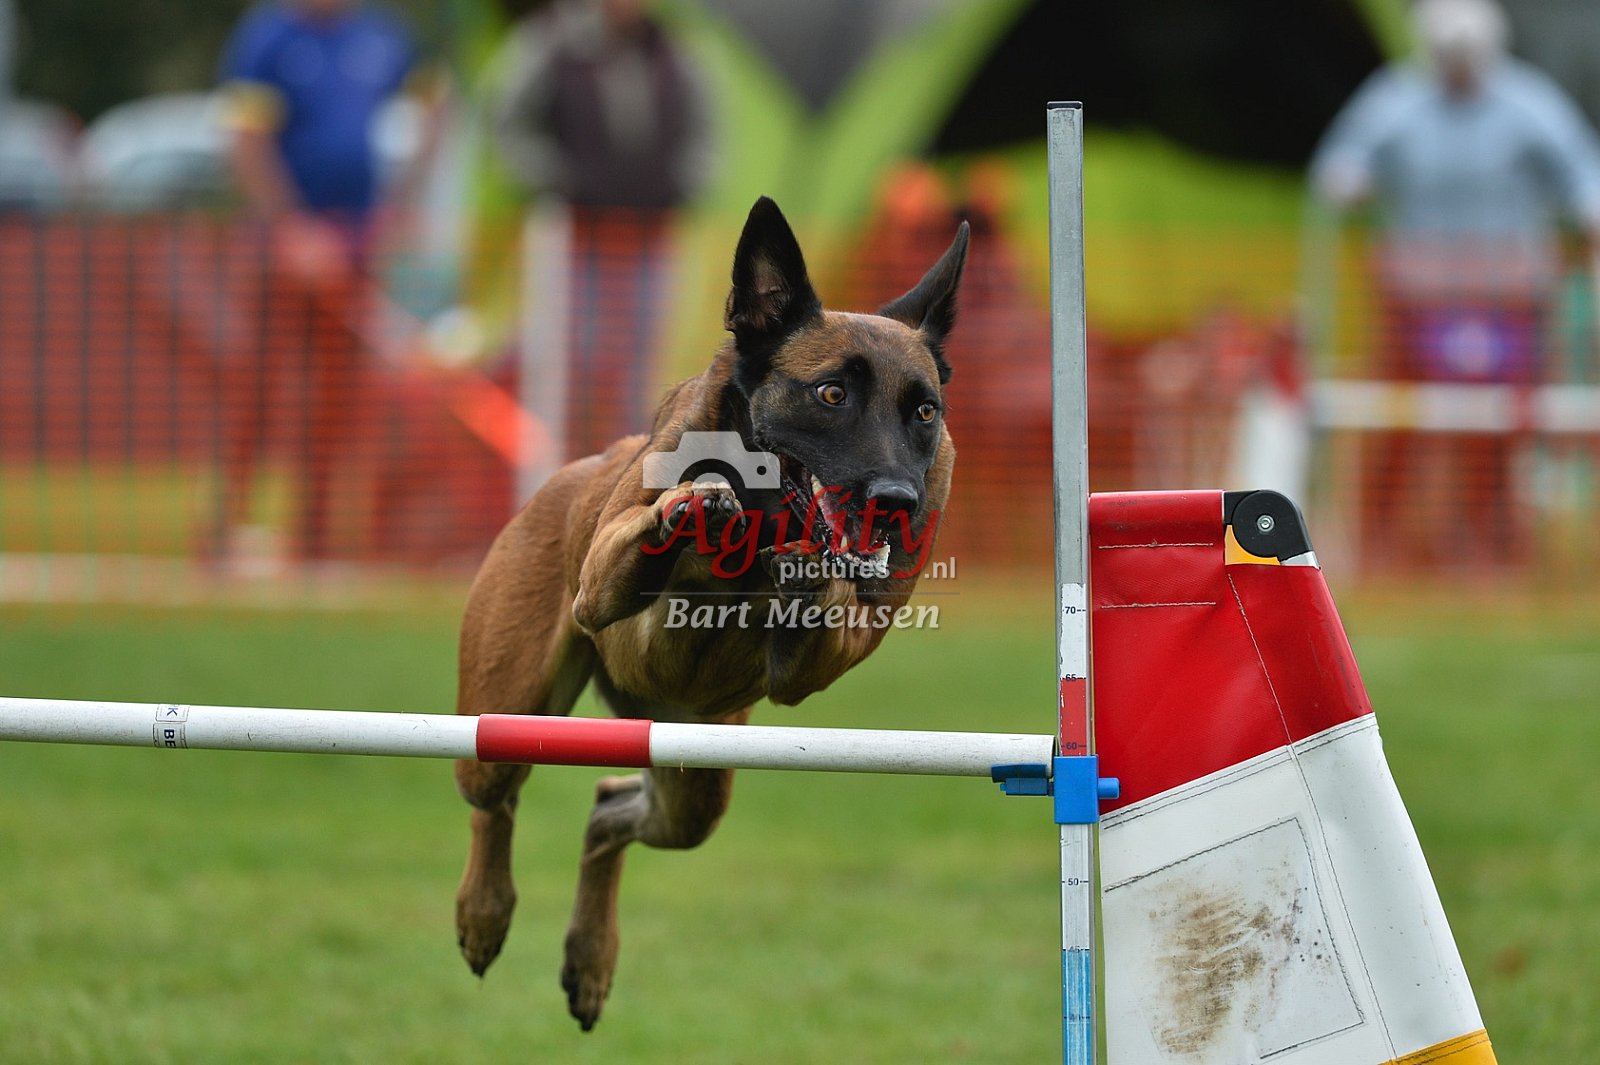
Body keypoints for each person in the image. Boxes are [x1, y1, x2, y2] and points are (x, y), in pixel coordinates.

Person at [1311, 0, 1600, 571]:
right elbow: (1340, 162)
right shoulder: (1395, 99)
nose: (1458, 68)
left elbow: (1582, 171)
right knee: (1398, 420)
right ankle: (1381, 544)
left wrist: (1588, 210)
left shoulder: (1530, 102)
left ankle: (1498, 549)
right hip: (1415, 300)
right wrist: (1350, 179)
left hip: (1510, 299)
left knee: (1503, 426)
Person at [214, 0, 420, 563]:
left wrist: (401, 206)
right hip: (278, 248)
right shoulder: (267, 37)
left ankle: (313, 538)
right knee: (256, 390)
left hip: (356, 245)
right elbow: (245, 141)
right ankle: (226, 528)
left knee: (336, 400)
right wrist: (290, 228)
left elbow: (430, 109)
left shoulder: (381, 37)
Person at [491, 0, 711, 465]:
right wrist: (552, 177)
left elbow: (706, 132)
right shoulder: (555, 42)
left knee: (636, 369)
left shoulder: (673, 49)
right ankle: (557, 469)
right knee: (571, 363)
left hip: (650, 236)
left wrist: (688, 181)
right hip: (575, 237)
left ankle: (619, 469)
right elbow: (505, 118)